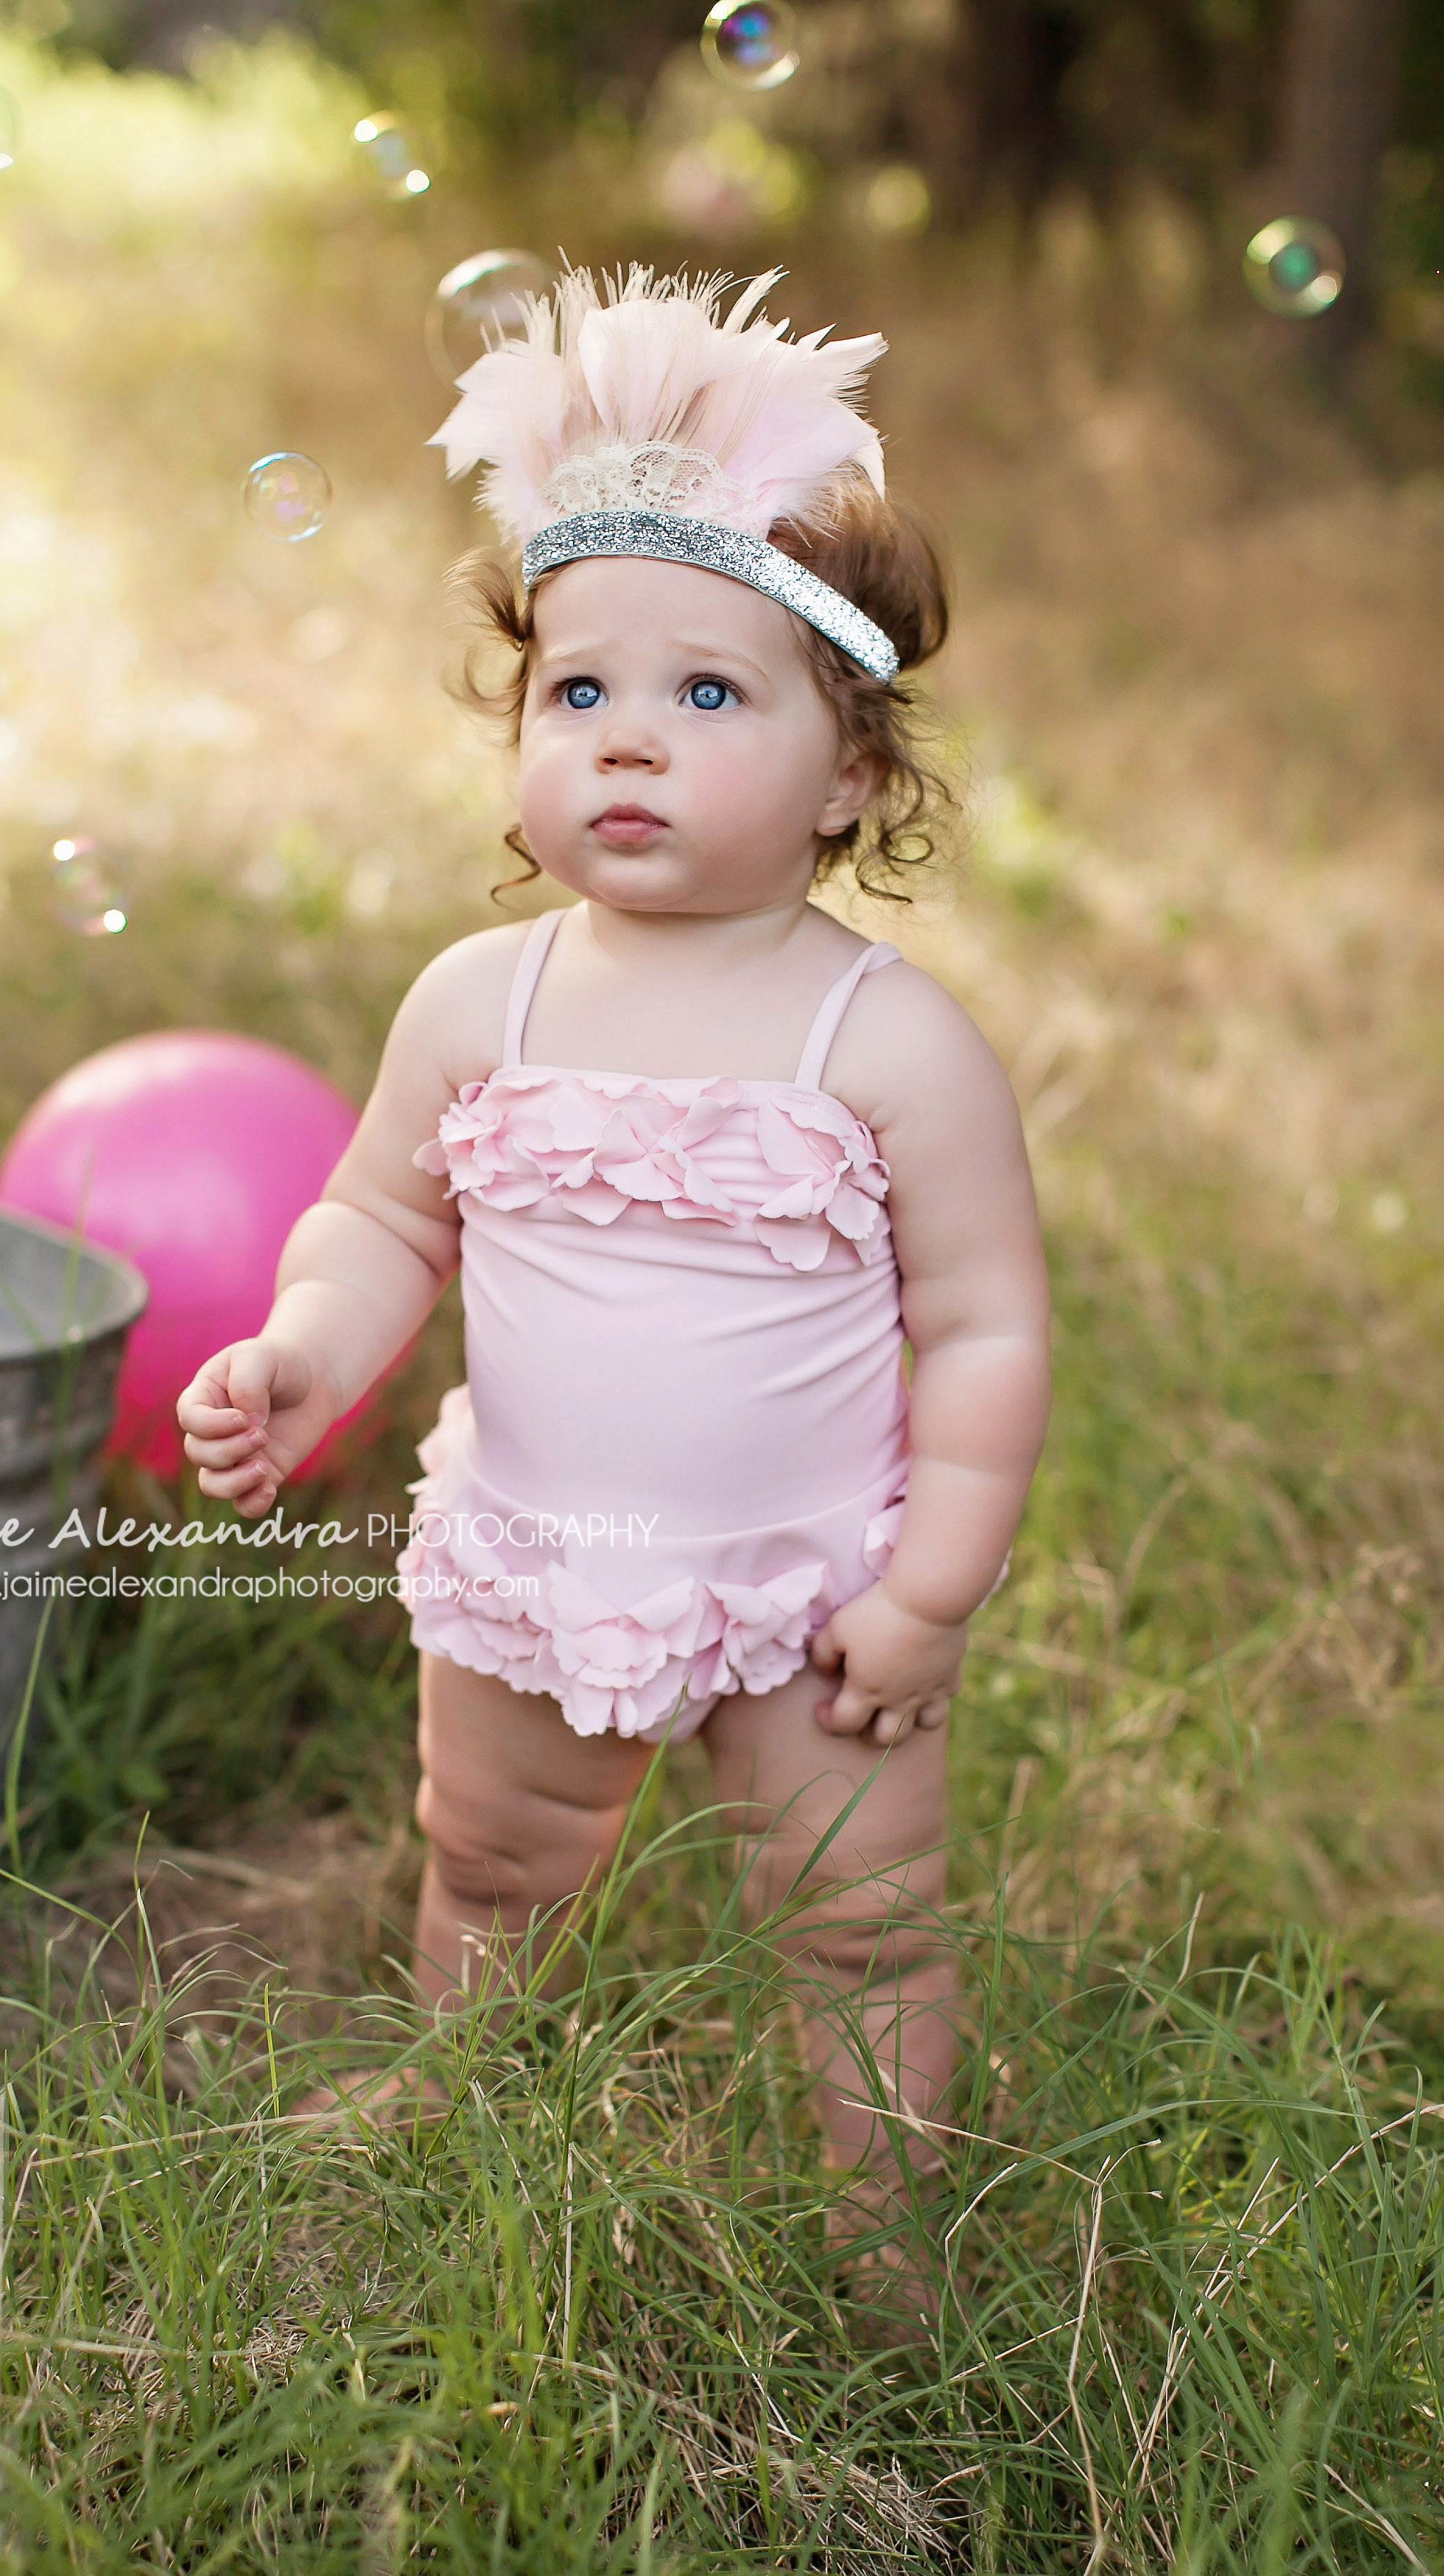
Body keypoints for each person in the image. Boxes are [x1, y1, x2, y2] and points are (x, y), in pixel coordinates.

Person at [176, 265, 1051, 2281]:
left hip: (812, 1582)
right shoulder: (483, 1001)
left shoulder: (885, 1042)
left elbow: (984, 1322)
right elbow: (387, 1213)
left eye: (706, 693)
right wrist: (316, 1347)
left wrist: (933, 1587)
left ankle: (885, 2219)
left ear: (848, 774)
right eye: (579, 692)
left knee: (855, 1916)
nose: (626, 740)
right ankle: (463, 2086)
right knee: (490, 1857)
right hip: (536, 1551)